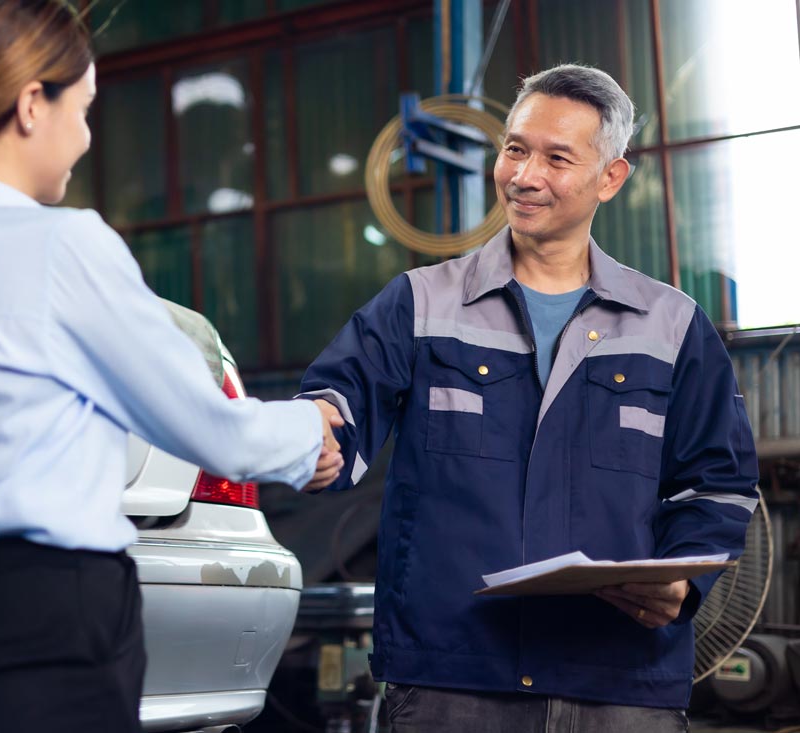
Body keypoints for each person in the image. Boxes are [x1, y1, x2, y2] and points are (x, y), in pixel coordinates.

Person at [0, 1, 343, 731]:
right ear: (30, 105)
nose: (85, 137)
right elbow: (209, 426)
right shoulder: (60, 248)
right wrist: (309, 430)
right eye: (84, 107)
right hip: (56, 649)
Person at [300, 63, 758, 732]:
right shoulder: (422, 305)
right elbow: (338, 407)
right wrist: (313, 430)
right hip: (452, 679)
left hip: (619, 680)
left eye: (555, 158)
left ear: (610, 177)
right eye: (515, 148)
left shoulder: (671, 325)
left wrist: (684, 584)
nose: (523, 175)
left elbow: (718, 482)